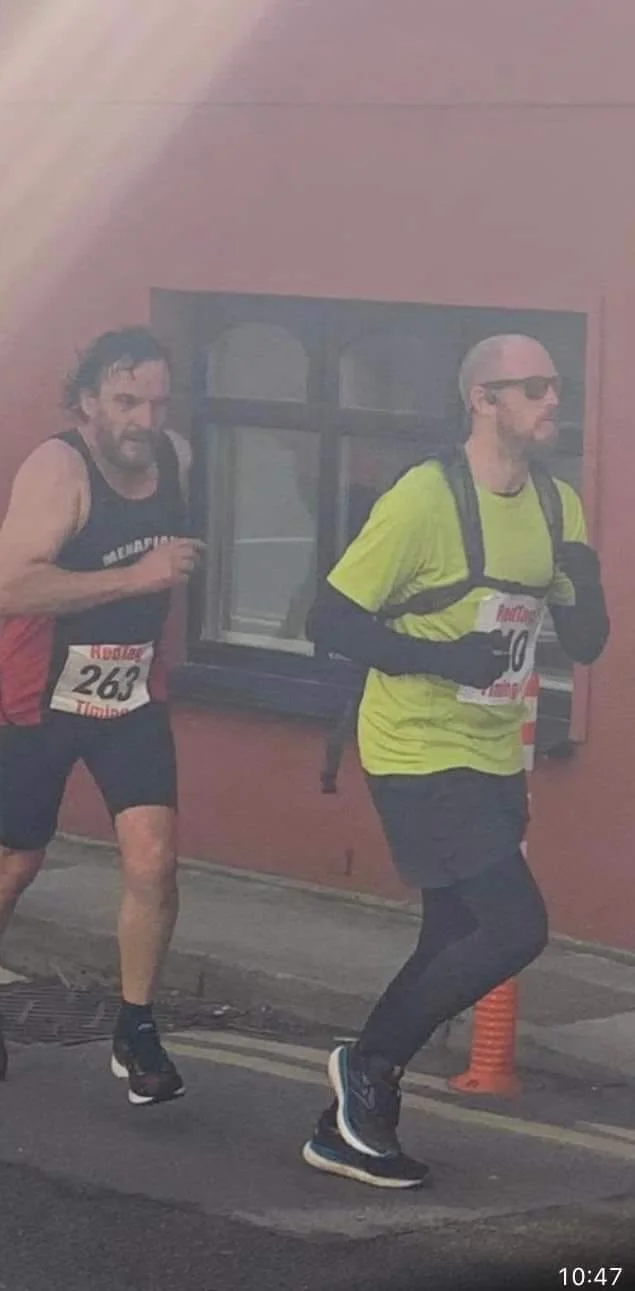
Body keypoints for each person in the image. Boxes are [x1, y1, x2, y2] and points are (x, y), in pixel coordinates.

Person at [303, 334, 609, 1188]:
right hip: (414, 745)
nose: (553, 400)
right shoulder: (423, 498)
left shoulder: (555, 503)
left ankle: (347, 1125)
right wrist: (442, 658)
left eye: (557, 385)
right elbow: (328, 620)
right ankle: (365, 1065)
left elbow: (585, 641)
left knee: (453, 935)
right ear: (482, 398)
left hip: (491, 748)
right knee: (514, 927)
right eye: (534, 387)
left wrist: (583, 579)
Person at [0, 326, 203, 1106]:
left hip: (129, 693)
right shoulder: (58, 470)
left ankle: (136, 1026)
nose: (143, 420)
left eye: (156, 403)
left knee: (154, 858)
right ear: (86, 401)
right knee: (18, 856)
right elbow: (11, 588)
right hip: (42, 691)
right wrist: (136, 577)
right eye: (125, 401)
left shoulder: (177, 458)